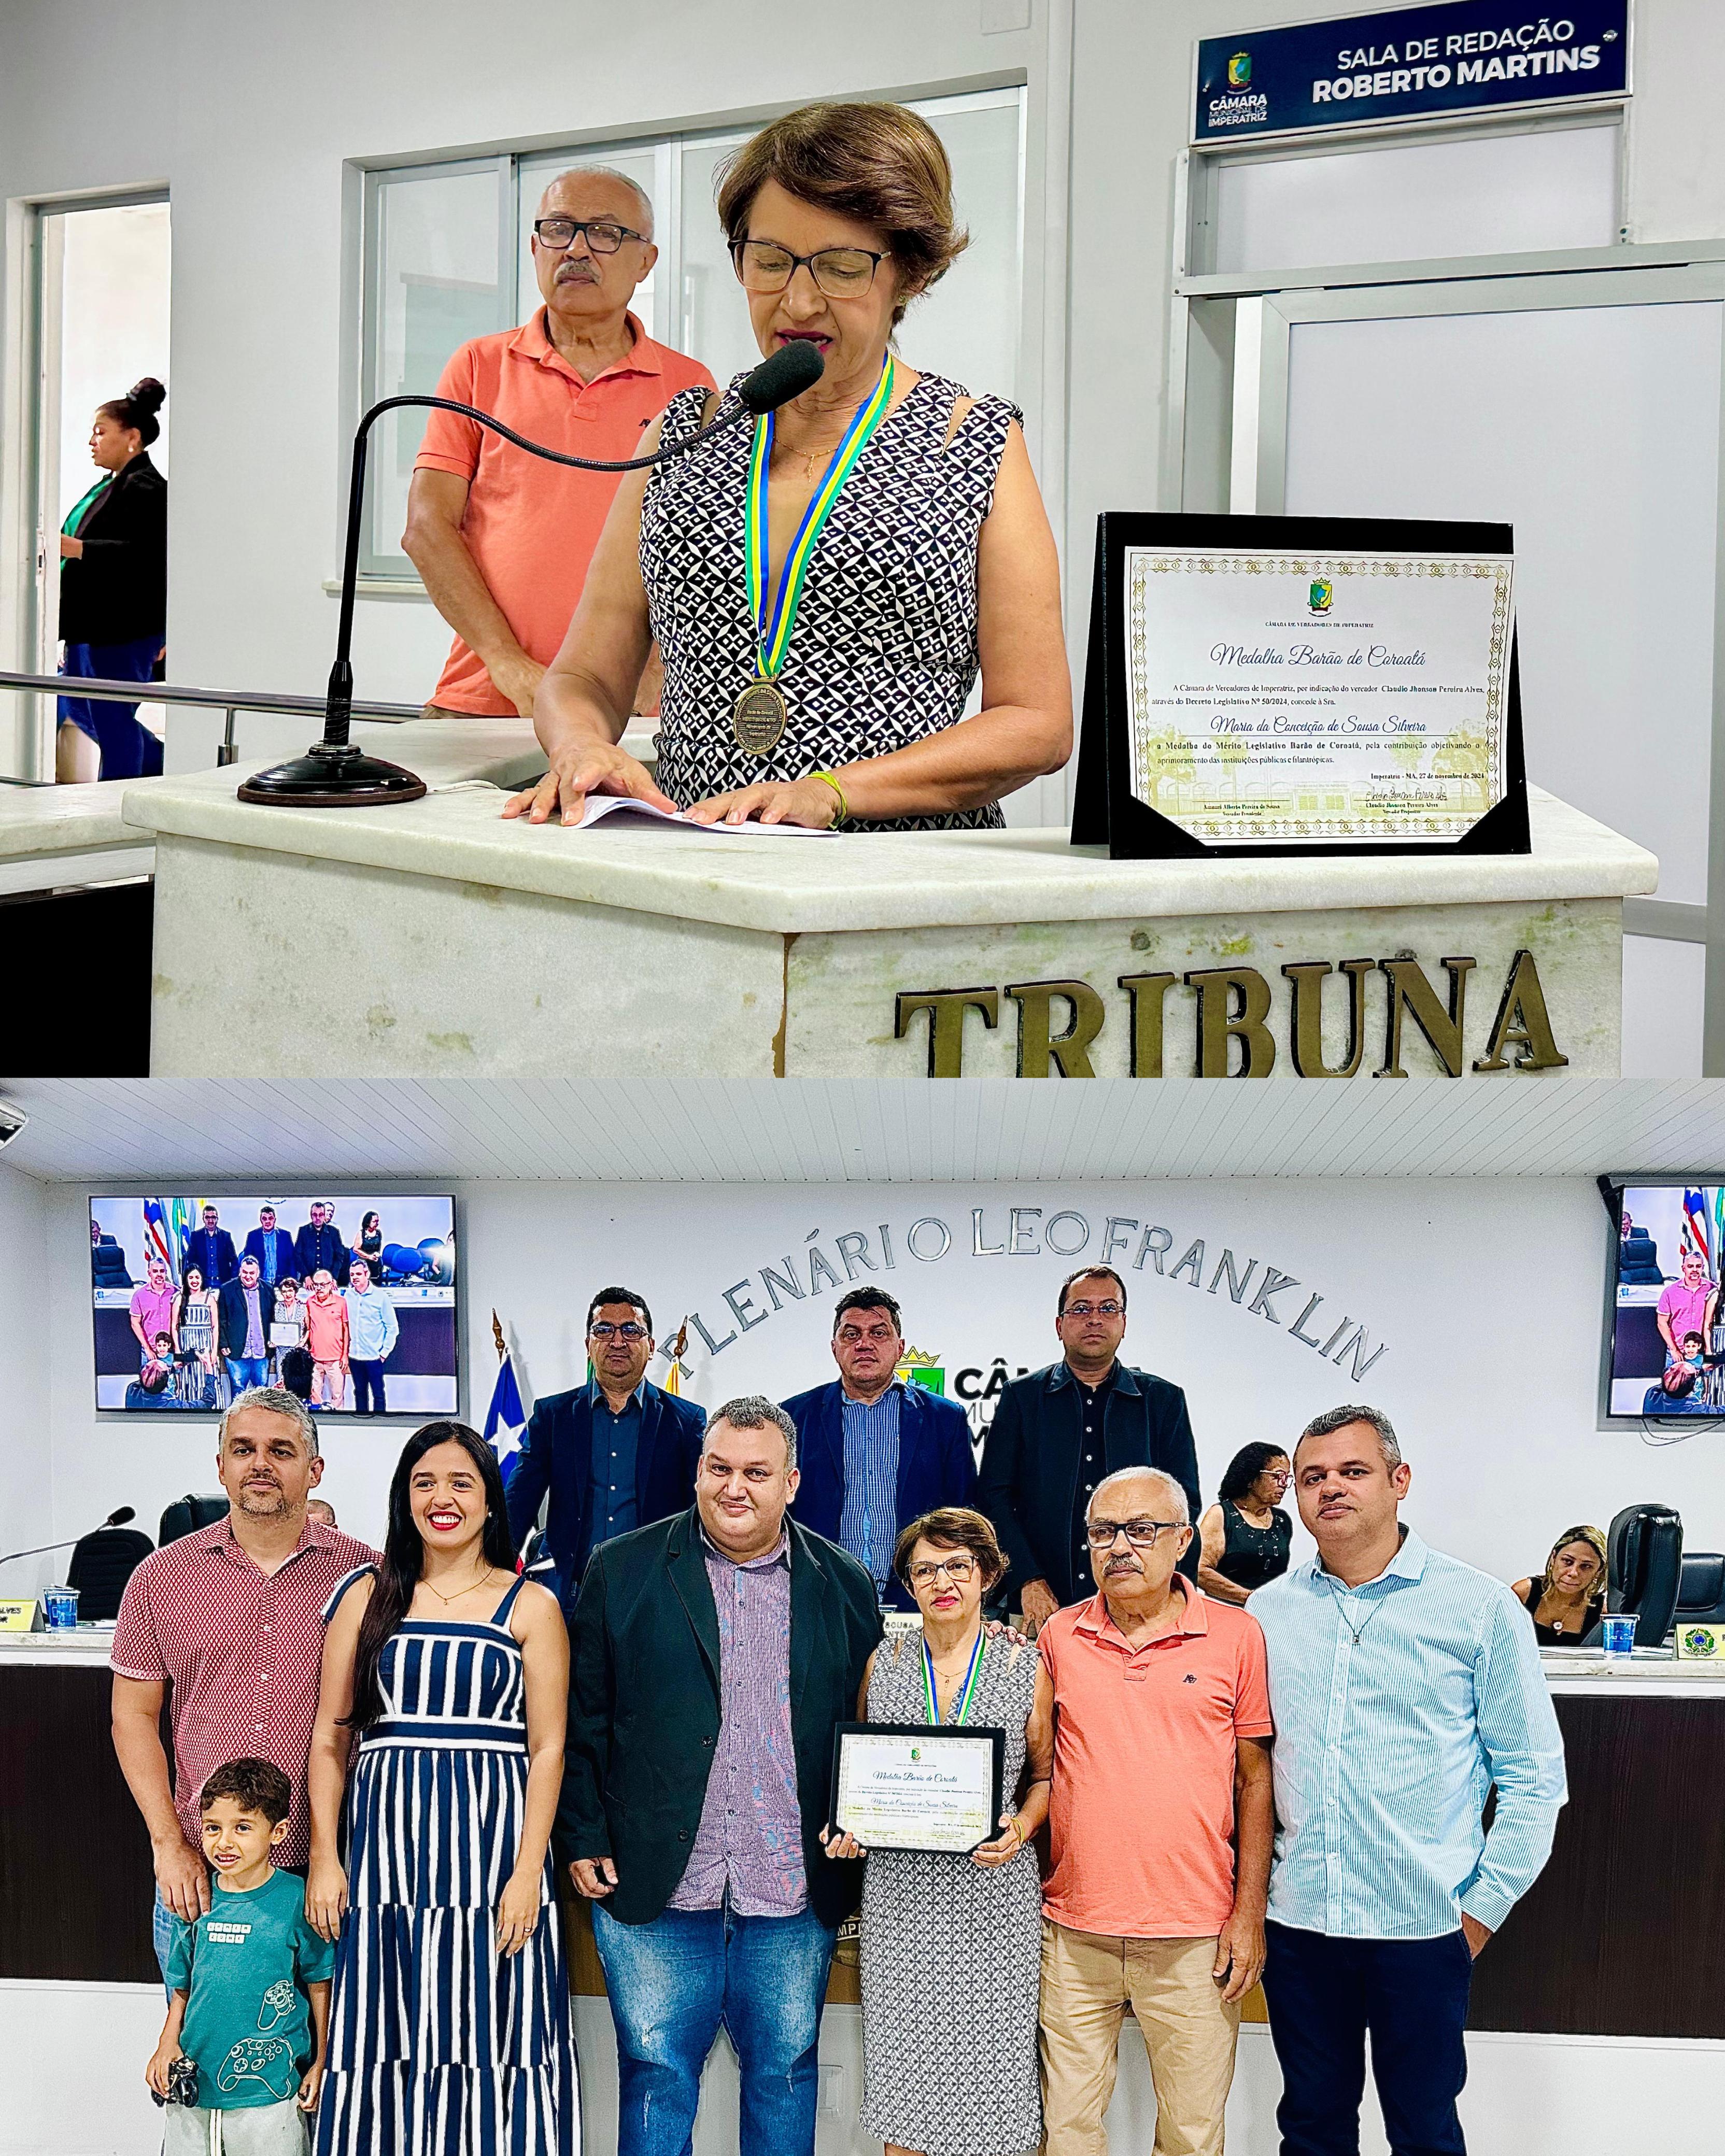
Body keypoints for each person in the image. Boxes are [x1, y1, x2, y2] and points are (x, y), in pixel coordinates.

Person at [507, 101, 1070, 834]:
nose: (797, 301)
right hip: (694, 866)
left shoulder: (975, 440)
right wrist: (580, 742)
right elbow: (583, 677)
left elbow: (1037, 723)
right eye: (769, 262)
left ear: (911, 274)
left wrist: (832, 793)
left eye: (840, 268)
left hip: (892, 883)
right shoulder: (682, 436)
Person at [559, 1395, 882, 2156]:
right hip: (658, 1882)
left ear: (793, 1482)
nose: (735, 1488)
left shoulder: (845, 1584)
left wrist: (860, 1812)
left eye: (757, 1472)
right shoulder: (623, 1569)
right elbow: (584, 1718)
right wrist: (582, 1832)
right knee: (657, 2077)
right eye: (719, 1469)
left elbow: (862, 1724)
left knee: (785, 2076)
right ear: (698, 1471)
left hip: (792, 1884)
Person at [1250, 1405, 1567, 2156]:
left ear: (1400, 1481)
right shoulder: (1267, 1614)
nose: (1331, 1489)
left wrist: (1479, 1915)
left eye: (1353, 1472)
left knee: (1424, 2132)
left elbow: (1532, 1779)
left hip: (1423, 1928)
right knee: (1311, 2128)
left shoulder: (1480, 1608)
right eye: (1313, 1477)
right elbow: (1251, 1770)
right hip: (1301, 1926)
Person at [307, 1422, 573, 2156]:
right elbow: (331, 1737)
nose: (442, 1498)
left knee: (498, 2031)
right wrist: (327, 1858)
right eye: (425, 1483)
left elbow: (548, 1748)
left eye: (462, 1482)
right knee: (386, 2027)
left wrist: (528, 1874)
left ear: (491, 1501)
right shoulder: (365, 1594)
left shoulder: (531, 1604)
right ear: (405, 1498)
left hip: (494, 1861)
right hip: (386, 1861)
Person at [406, 166, 713, 725]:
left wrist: (658, 672)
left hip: (631, 709)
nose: (576, 249)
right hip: (488, 698)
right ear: (535, 247)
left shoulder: (689, 386)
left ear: (646, 260)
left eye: (605, 232)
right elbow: (427, 528)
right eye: (559, 229)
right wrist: (506, 663)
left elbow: (709, 544)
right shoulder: (478, 367)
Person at [1037, 1467, 1272, 2156]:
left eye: (1142, 1531)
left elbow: (1255, 1782)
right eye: (1103, 1532)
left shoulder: (1237, 1637)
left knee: (1193, 2135)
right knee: (1067, 2132)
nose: (1120, 1548)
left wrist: (1248, 1911)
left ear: (1182, 1541)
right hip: (1073, 1933)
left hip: (1196, 1936)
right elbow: (1037, 1769)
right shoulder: (1058, 1635)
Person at [109, 1389, 376, 1981]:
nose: (260, 1463)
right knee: (203, 2053)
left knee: (327, 2059)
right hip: (206, 1874)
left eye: (280, 1450)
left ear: (314, 1470)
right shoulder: (160, 1577)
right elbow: (132, 1717)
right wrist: (167, 1845)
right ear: (220, 1466)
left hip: (329, 1871)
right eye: (243, 1448)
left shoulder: (369, 1576)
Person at [822, 1507, 1050, 2156]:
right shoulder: (885, 1660)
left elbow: (1045, 1776)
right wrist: (848, 1825)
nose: (940, 1580)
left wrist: (1023, 1826)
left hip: (993, 1903)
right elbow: (860, 1772)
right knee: (906, 2089)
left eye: (957, 1565)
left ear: (987, 1574)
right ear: (907, 1582)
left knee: (1000, 2094)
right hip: (901, 1907)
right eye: (923, 1568)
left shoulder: (1024, 1665)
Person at [977, 1267, 1200, 1628]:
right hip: (1038, 1605)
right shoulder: (1022, 1398)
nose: (1095, 1319)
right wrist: (1026, 1580)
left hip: (1138, 1606)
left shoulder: (1163, 1401)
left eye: (1108, 1309)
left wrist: (1164, 1591)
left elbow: (1183, 1504)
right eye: (1081, 1309)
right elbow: (994, 1497)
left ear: (1124, 1324)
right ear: (1060, 1325)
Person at [147, 1757, 333, 2155]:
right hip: (195, 2090)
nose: (224, 1843)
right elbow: (181, 1986)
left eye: (242, 1828)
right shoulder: (199, 1898)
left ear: (278, 1832)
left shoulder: (296, 1900)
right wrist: (166, 2044)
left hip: (270, 2100)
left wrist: (322, 2060)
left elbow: (320, 1982)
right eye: (213, 1828)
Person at [503, 1285, 705, 1614]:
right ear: (588, 1345)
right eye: (604, 1330)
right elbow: (518, 1504)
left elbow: (699, 1512)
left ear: (651, 1346)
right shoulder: (553, 1416)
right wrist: (489, 1576)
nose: (617, 1341)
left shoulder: (686, 1421)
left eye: (631, 1330)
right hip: (570, 1596)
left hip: (654, 1598)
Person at [783, 1288, 977, 1609]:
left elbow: (963, 1515)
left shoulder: (944, 1419)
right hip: (819, 1598)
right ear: (835, 1348)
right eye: (851, 1334)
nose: (864, 1344)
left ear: (900, 1348)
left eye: (878, 1333)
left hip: (918, 1598)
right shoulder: (792, 1417)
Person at [56, 376, 167, 783]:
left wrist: (78, 549)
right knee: (79, 706)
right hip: (91, 623)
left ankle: (116, 803)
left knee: (112, 717)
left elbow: (150, 557)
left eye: (101, 432)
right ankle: (158, 765)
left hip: (123, 626)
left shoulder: (148, 488)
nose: (92, 441)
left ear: (132, 438)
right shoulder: (111, 485)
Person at [1196, 1442, 1293, 1606]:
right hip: (1226, 1613)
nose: (1283, 1484)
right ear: (1250, 1479)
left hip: (1271, 1613)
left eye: (1286, 1477)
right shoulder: (1221, 1515)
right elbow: (1200, 1571)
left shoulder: (1282, 1520)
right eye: (1277, 1476)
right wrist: (1250, 1598)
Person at [1512, 1524, 1608, 1646]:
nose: (1573, 1573)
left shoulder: (1602, 1612)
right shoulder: (1524, 1593)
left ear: (1598, 1571)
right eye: (1568, 1561)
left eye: (1586, 1566)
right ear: (1554, 1558)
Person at [341, 1259, 398, 1415]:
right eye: (352, 1274)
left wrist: (384, 1353)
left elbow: (392, 1328)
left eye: (359, 1274)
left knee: (378, 1394)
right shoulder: (348, 1295)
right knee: (359, 1392)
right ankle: (361, 1421)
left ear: (367, 1274)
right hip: (354, 1356)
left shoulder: (381, 1297)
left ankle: (380, 1423)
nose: (355, 1277)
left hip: (374, 1357)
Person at [217, 1255, 274, 1397]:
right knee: (238, 1393)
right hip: (237, 1352)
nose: (248, 1276)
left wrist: (273, 1340)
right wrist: (223, 1343)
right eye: (245, 1273)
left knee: (262, 1395)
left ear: (258, 1273)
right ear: (240, 1272)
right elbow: (221, 1319)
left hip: (261, 1352)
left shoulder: (268, 1290)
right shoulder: (227, 1290)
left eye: (252, 1273)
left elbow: (273, 1318)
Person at [1656, 1246, 1717, 1374]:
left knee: (1703, 1393)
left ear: (1702, 1268)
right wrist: (1674, 1350)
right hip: (1678, 1353)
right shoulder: (1670, 1292)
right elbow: (1662, 1323)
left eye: (1698, 1266)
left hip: (1702, 1353)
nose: (1695, 1270)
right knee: (1674, 1391)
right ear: (1683, 1268)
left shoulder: (1712, 1289)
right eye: (1690, 1266)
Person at [301, 1272, 349, 1411]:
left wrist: (345, 1355)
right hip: (315, 1358)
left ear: (331, 1284)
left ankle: (339, 1425)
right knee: (315, 1397)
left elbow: (346, 1330)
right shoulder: (310, 1302)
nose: (319, 1288)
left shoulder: (341, 1302)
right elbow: (308, 1328)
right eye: (316, 1285)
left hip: (336, 1359)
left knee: (338, 1397)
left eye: (323, 1285)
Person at [173, 1265, 220, 1407]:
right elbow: (174, 1327)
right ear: (186, 1280)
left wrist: (214, 1352)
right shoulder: (179, 1299)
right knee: (188, 1381)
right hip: (187, 1346)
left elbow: (215, 1327)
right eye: (191, 1277)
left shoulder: (210, 1299)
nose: (194, 1281)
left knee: (206, 1379)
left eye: (197, 1277)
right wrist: (178, 1352)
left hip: (205, 1346)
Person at [130, 1252, 177, 1370]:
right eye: (155, 1271)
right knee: (149, 1386)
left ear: (166, 1272)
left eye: (162, 1271)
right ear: (149, 1273)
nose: (159, 1274)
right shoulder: (139, 1295)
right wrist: (147, 1349)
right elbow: (135, 1323)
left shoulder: (176, 1292)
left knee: (171, 1387)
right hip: (150, 1351)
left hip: (171, 1351)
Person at [292, 1204, 348, 1289]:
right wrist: (306, 1276)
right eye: (315, 1215)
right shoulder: (304, 1231)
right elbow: (298, 1255)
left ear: (324, 1215)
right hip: (308, 1281)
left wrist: (333, 1278)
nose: (318, 1218)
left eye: (321, 1215)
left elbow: (339, 1256)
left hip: (329, 1282)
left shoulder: (334, 1232)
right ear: (311, 1215)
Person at [185, 1205, 239, 1288]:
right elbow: (191, 1260)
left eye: (213, 1217)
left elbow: (234, 1260)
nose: (211, 1220)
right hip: (202, 1283)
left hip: (223, 1283)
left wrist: (233, 1280)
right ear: (203, 1219)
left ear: (217, 1219)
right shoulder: (196, 1237)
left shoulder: (226, 1236)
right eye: (208, 1218)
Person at [244, 1207, 296, 1290]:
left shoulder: (285, 1236)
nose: (268, 1221)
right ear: (261, 1220)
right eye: (264, 1219)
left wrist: (293, 1281)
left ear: (275, 1220)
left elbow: (292, 1260)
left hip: (282, 1283)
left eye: (270, 1218)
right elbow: (248, 1261)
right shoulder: (253, 1236)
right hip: (260, 1283)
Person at [349, 1212, 384, 1280]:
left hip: (376, 1262)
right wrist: (369, 1257)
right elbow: (356, 1249)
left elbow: (378, 1248)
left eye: (378, 1221)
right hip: (364, 1262)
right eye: (374, 1221)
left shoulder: (378, 1233)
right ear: (368, 1222)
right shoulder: (361, 1233)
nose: (376, 1223)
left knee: (377, 1281)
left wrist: (377, 1254)